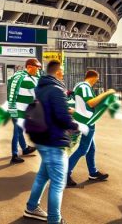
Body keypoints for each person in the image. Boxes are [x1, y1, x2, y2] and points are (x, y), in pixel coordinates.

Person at [22, 59, 79, 223]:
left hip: (42, 138)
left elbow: (51, 110)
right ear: (58, 72)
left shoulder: (42, 88)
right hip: (54, 140)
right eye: (62, 71)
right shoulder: (56, 90)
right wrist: (76, 126)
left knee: (42, 176)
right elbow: (62, 118)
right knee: (58, 184)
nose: (63, 74)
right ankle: (54, 219)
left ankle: (32, 208)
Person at [66, 69, 115, 186]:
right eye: (97, 80)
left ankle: (93, 173)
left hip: (83, 120)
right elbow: (91, 103)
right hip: (86, 121)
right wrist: (107, 93)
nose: (96, 82)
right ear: (94, 77)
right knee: (83, 149)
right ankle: (65, 173)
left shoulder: (80, 86)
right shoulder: (85, 87)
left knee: (91, 148)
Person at [7, 59, 41, 164]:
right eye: (37, 67)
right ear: (30, 67)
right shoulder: (24, 78)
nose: (38, 69)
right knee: (17, 132)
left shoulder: (23, 76)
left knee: (19, 130)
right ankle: (14, 155)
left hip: (19, 109)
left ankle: (25, 149)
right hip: (19, 110)